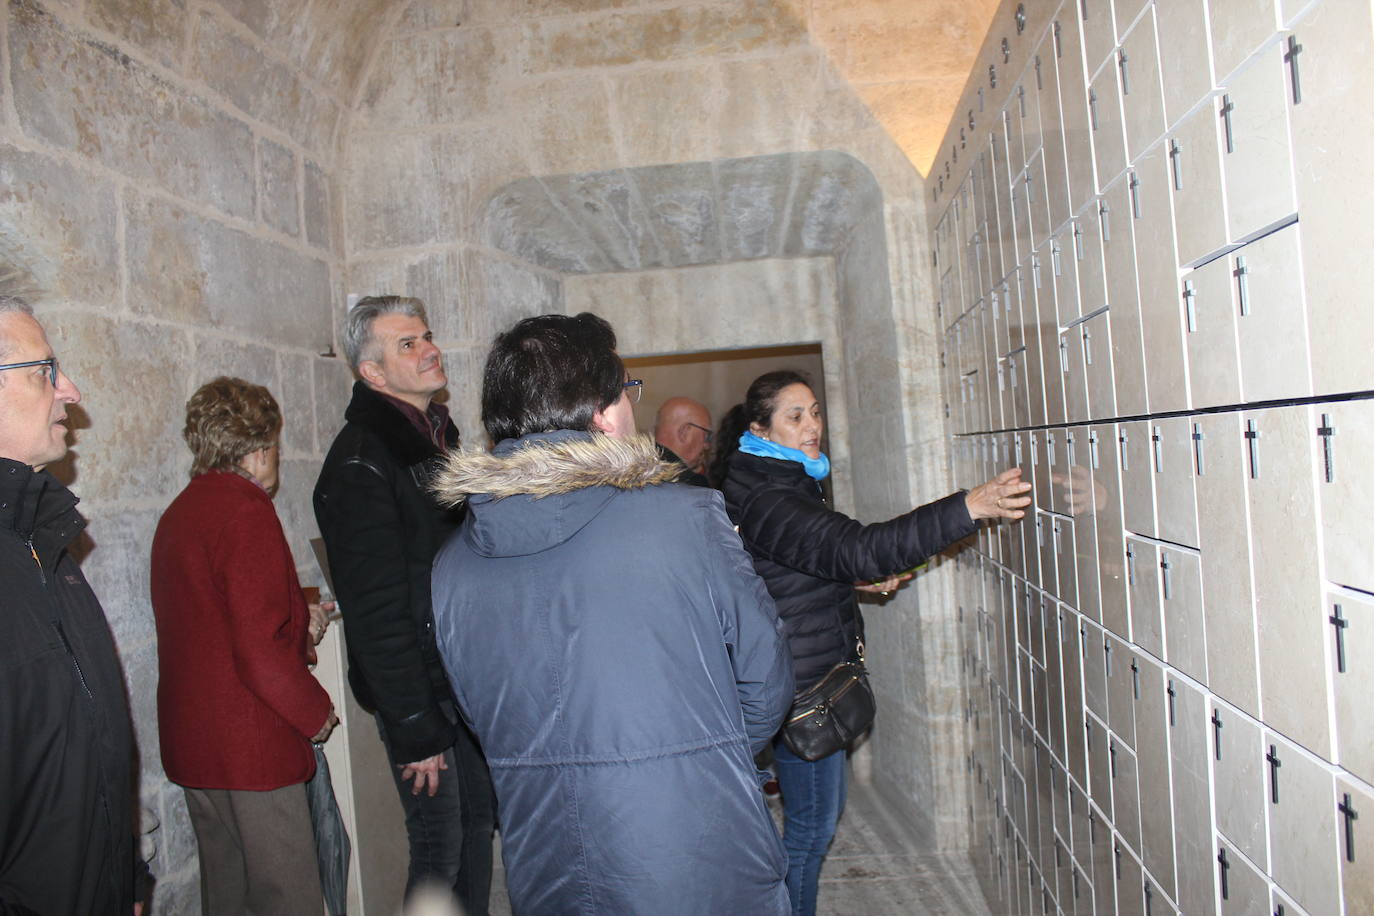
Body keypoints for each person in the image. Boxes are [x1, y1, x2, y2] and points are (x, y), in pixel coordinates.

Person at [429, 312, 794, 915]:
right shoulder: (685, 519)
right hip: (692, 844)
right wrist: (706, 754)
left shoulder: (452, 566)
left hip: (549, 857)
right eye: (628, 390)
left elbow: (482, 712)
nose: (633, 407)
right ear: (603, 414)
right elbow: (767, 674)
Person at [718, 369, 1031, 916]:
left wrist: (847, 578)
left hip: (800, 673)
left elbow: (785, 568)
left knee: (814, 823)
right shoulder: (771, 497)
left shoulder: (780, 480)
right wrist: (967, 508)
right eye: (795, 416)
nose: (812, 425)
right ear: (760, 429)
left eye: (814, 411)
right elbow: (856, 547)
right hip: (805, 687)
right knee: (810, 833)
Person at [313, 295, 495, 911]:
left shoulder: (435, 440)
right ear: (373, 373)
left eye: (427, 336)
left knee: (473, 835)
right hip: (421, 690)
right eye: (407, 344)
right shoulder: (363, 460)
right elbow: (376, 614)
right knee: (439, 849)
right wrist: (416, 728)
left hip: (457, 675)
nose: (430, 349)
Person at [150, 377, 337, 915]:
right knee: (287, 899)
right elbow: (256, 650)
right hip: (251, 747)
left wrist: (298, 626)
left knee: (229, 898)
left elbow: (210, 626)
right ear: (258, 451)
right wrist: (314, 712)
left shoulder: (180, 513)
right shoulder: (245, 511)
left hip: (197, 746)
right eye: (275, 445)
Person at [0, 296, 149, 913]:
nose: (71, 390)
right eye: (45, 372)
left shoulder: (44, 539)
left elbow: (84, 740)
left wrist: (128, 879)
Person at [652, 395, 712, 486]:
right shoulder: (694, 486)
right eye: (707, 435)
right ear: (684, 432)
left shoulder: (632, 471)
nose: (707, 445)